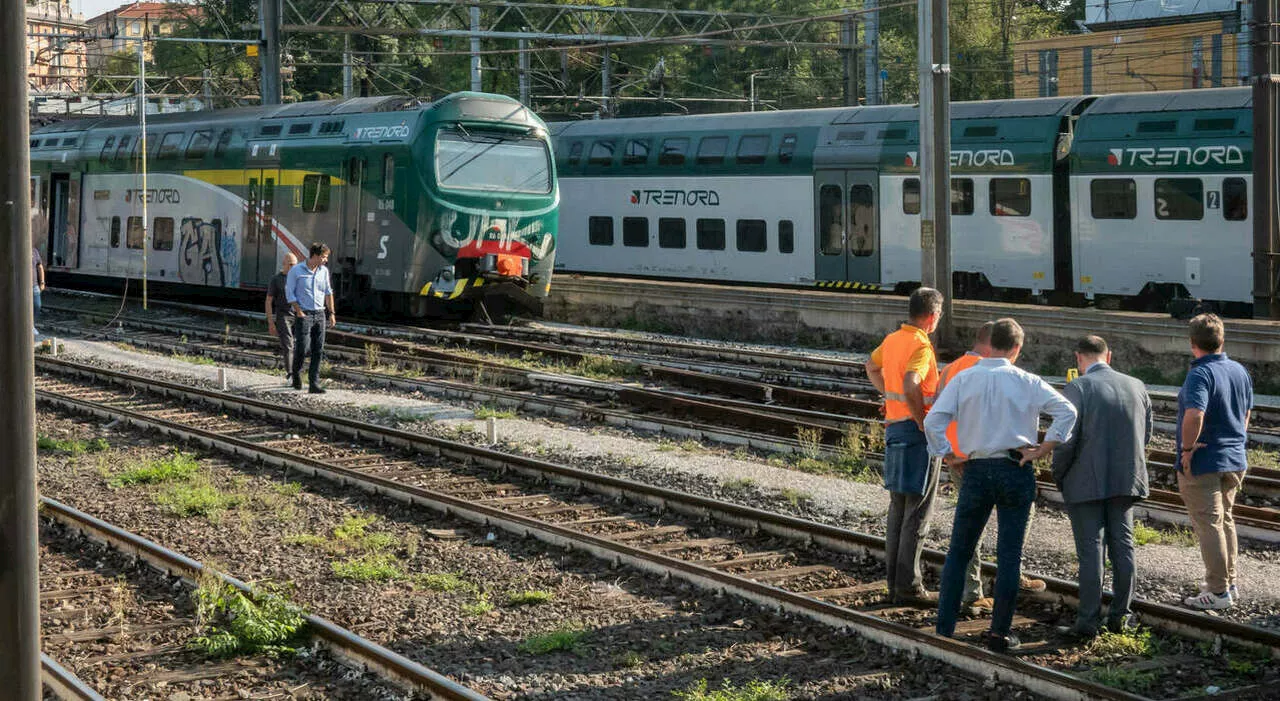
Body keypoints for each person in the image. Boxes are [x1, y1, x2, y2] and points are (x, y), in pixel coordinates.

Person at [925, 318, 1077, 652]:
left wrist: (947, 454)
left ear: (990, 343)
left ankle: (945, 626)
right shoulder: (1027, 380)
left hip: (975, 469)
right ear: (1017, 349)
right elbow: (1067, 411)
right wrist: (1045, 447)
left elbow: (933, 420)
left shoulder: (964, 378)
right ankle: (999, 634)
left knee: (959, 551)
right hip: (1014, 469)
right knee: (1010, 557)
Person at [936, 321, 1046, 614]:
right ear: (992, 344)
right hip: (994, 459)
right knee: (1014, 522)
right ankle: (1006, 578)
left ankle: (972, 592)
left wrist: (948, 454)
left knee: (970, 531)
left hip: (962, 461)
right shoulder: (992, 373)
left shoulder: (949, 370)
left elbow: (934, 414)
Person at [1051, 335, 1151, 639]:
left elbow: (1065, 441)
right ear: (1109, 356)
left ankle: (1087, 621)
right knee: (1123, 545)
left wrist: (1060, 475)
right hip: (1126, 479)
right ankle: (1122, 615)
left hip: (1085, 481)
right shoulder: (1137, 385)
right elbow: (1144, 434)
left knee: (1091, 550)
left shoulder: (1077, 388)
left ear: (1078, 358)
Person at [865, 287, 944, 606]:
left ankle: (894, 583)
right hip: (915, 433)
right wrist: (922, 420)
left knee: (898, 507)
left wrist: (890, 397)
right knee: (918, 511)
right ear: (932, 316)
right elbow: (912, 382)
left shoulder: (893, 339)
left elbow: (870, 367)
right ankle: (909, 586)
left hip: (894, 429)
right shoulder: (920, 345)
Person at [1176, 313, 1253, 611]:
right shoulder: (1238, 370)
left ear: (1193, 343)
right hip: (1234, 458)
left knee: (1209, 525)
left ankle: (1219, 591)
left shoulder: (1200, 374)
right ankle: (1228, 582)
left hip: (1206, 460)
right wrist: (1235, 439)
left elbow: (1195, 413)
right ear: (1222, 339)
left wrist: (1187, 448)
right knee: (1226, 521)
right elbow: (1246, 412)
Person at [285, 243, 336, 394]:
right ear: (315, 255)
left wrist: (331, 313)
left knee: (318, 349)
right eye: (324, 257)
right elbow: (290, 293)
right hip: (304, 314)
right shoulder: (296, 271)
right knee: (302, 348)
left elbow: (328, 292)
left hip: (320, 314)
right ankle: (296, 374)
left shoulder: (324, 272)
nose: (326, 260)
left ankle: (314, 383)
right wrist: (299, 311)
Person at [266, 252, 299, 382]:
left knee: (300, 345)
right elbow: (268, 301)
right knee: (288, 345)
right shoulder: (276, 279)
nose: (293, 267)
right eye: (290, 264)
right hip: (283, 315)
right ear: (284, 264)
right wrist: (270, 322)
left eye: (295, 265)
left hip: (297, 314)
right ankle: (290, 374)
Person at [32, 246, 45, 338]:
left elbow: (40, 266)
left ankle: (31, 325)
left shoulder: (34, 251)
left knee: (37, 305)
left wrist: (42, 282)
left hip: (34, 284)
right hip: (20, 286)